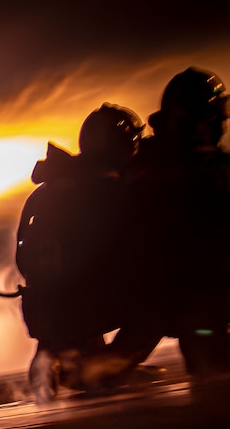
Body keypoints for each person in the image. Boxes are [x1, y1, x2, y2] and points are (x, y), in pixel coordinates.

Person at [104, 66, 230, 381]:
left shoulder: (136, 167)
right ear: (202, 115)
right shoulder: (222, 170)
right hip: (205, 307)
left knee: (103, 372)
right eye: (218, 111)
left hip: (149, 307)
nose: (224, 120)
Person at [8, 103, 147, 401]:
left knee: (69, 310)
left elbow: (23, 257)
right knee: (164, 296)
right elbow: (135, 252)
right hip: (83, 303)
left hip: (44, 311)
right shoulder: (111, 191)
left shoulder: (43, 193)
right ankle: (112, 365)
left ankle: (58, 355)